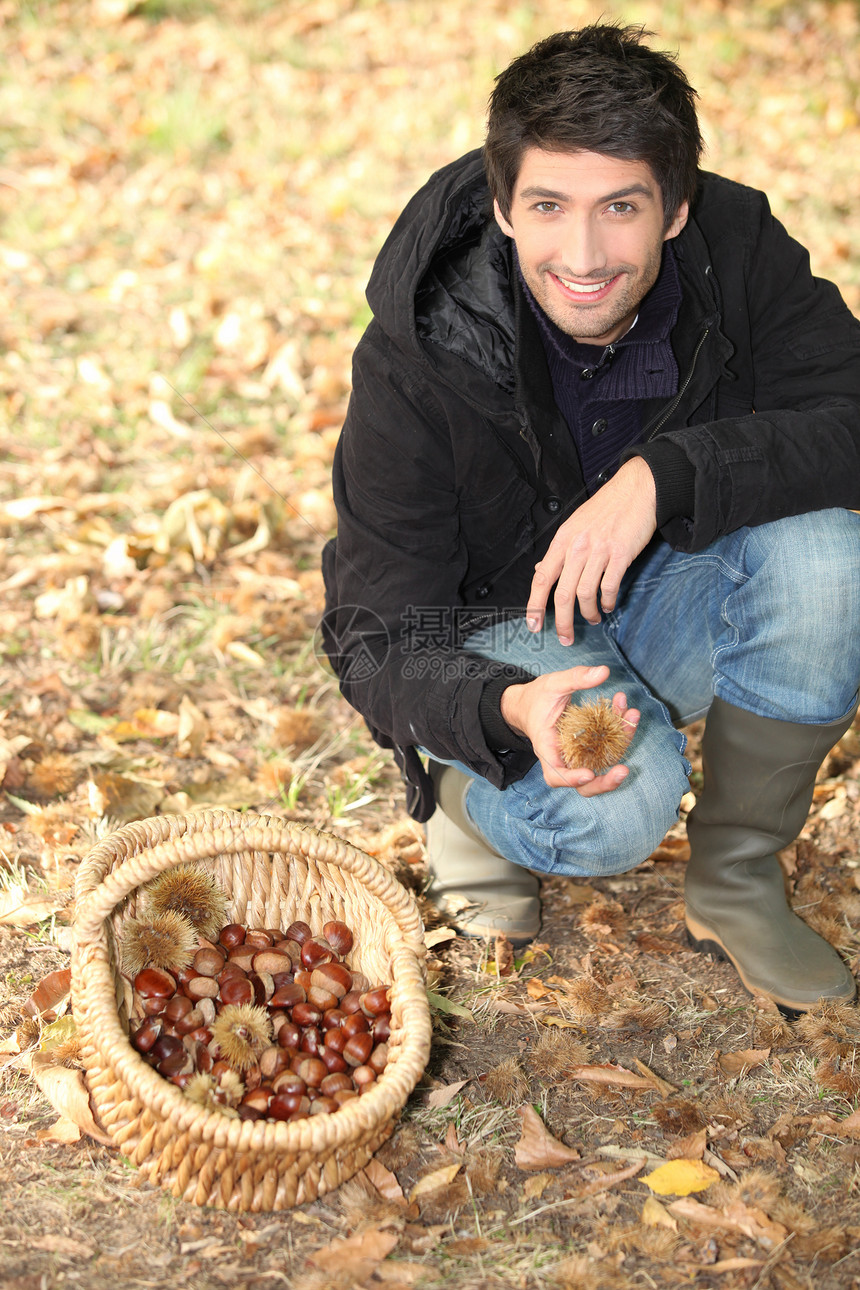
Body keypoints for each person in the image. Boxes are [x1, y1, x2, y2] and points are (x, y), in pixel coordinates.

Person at [321, 23, 860, 1014]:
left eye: (620, 207)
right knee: (614, 816)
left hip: (666, 590)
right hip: (502, 636)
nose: (581, 254)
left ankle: (734, 881)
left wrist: (667, 472)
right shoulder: (417, 350)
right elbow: (371, 639)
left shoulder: (736, 253)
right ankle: (466, 807)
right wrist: (504, 711)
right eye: (548, 206)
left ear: (674, 208)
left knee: (834, 552)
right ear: (501, 205)